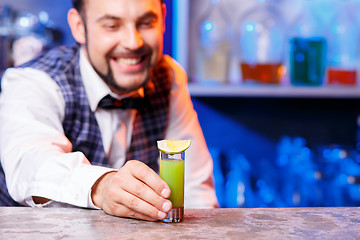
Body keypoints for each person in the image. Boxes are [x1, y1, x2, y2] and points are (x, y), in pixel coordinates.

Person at [0, 0, 218, 221]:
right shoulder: (34, 80)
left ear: (162, 18)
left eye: (145, 23)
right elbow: (31, 166)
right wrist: (101, 187)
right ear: (79, 26)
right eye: (112, 26)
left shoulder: (168, 75)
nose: (133, 42)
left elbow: (195, 189)